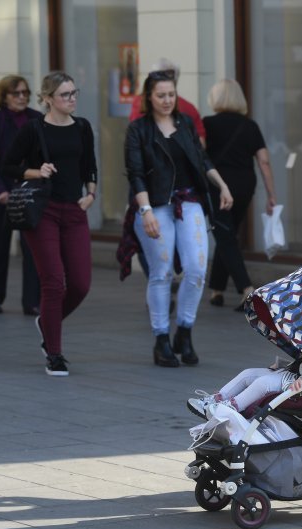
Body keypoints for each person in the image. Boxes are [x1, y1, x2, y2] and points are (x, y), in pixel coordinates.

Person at [125, 69, 233, 367]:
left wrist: (221, 185)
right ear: (149, 97)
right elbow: (135, 174)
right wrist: (145, 211)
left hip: (189, 202)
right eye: (161, 95)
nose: (167, 100)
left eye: (171, 94)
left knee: (197, 269)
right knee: (161, 273)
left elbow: (202, 159)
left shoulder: (184, 123)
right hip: (155, 205)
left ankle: (184, 331)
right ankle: (161, 339)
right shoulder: (139, 129)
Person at [2, 71, 98, 377]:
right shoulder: (34, 129)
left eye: (74, 93)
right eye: (64, 95)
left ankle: (46, 321)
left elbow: (90, 166)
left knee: (81, 284)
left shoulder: (82, 127)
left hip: (74, 210)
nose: (71, 99)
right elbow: (8, 165)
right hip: (43, 211)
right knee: (54, 282)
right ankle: (54, 353)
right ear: (47, 99)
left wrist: (92, 194)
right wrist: (35, 171)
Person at [202, 79, 276, 311]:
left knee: (224, 235)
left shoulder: (207, 124)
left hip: (218, 185)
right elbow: (264, 161)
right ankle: (217, 289)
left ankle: (247, 289)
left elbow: (200, 155)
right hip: (245, 185)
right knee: (227, 233)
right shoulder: (250, 125)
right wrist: (271, 195)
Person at [0, 75, 41, 316]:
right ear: (4, 97)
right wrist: (1, 191)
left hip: (27, 193)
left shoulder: (36, 119)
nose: (22, 97)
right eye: (16, 93)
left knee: (32, 248)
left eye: (25, 92)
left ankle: (32, 302)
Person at [187, 357, 302, 418]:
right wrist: (283, 364)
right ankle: (215, 400)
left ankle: (228, 409)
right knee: (248, 374)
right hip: (290, 373)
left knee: (263, 383)